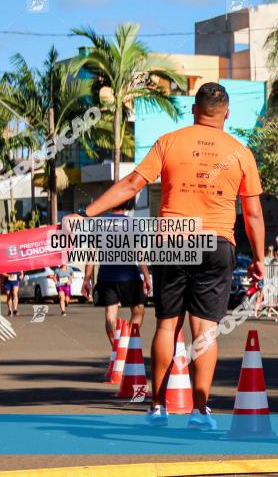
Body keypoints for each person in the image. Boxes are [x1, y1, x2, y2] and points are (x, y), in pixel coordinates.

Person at [65, 82, 265, 429]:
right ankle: (200, 410)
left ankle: (157, 405)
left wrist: (86, 214)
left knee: (167, 324)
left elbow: (131, 185)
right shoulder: (240, 152)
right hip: (217, 242)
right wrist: (260, 258)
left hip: (173, 239)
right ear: (227, 113)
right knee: (205, 330)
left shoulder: (170, 142)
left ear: (193, 110)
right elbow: (253, 216)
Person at [82, 199, 152, 351]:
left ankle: (118, 350)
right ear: (128, 205)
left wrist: (86, 279)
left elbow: (91, 254)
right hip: (129, 276)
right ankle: (126, 344)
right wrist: (146, 277)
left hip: (106, 276)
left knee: (110, 316)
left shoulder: (99, 224)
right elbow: (139, 253)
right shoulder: (132, 224)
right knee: (139, 310)